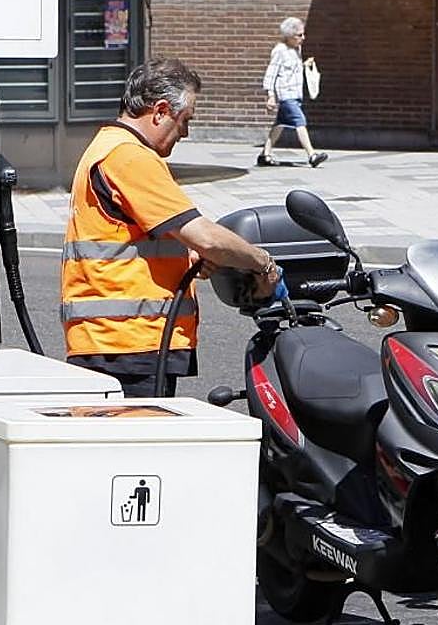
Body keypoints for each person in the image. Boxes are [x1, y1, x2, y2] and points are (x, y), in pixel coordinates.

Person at [61, 58, 283, 397]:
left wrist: (185, 256)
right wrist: (262, 262)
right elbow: (206, 236)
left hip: (113, 341)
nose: (186, 132)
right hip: (129, 342)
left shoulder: (105, 147)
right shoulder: (130, 157)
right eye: (185, 120)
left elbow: (132, 238)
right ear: (161, 111)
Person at [258, 16, 328, 168]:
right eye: (299, 35)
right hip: (286, 95)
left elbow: (291, 70)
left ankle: (265, 154)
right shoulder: (279, 51)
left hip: (296, 94)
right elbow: (271, 73)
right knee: (300, 122)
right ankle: (312, 155)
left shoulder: (297, 49)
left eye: (303, 34)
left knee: (279, 125)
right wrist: (270, 96)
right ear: (289, 36)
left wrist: (304, 65)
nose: (303, 38)